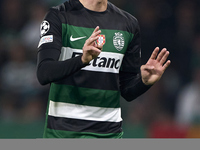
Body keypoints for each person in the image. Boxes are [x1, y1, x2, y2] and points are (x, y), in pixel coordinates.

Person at [36, 0, 171, 138]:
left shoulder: (128, 24)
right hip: (63, 134)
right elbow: (44, 72)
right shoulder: (58, 16)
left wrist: (144, 81)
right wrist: (82, 60)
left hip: (109, 135)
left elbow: (127, 90)